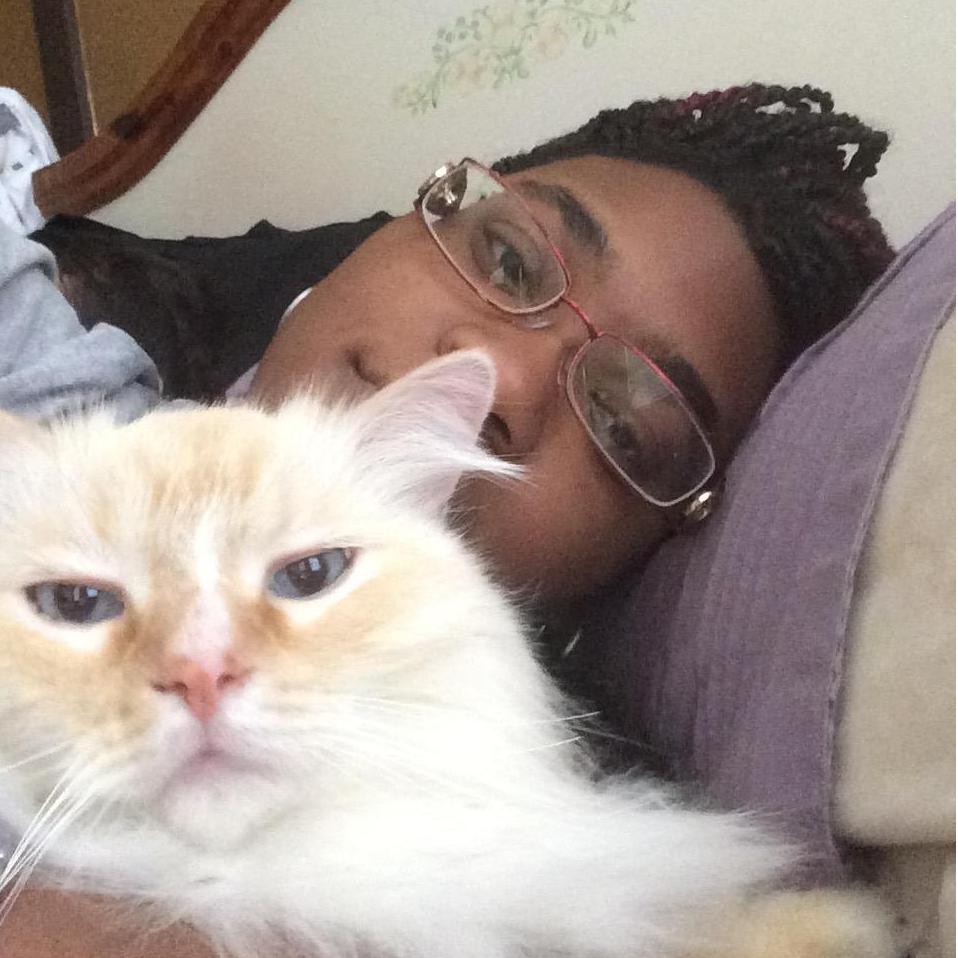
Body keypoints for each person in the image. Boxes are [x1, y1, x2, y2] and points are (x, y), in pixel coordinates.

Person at [1, 83, 893, 957]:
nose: (500, 372)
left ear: (649, 550)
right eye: (510, 261)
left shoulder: (582, 826)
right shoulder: (65, 320)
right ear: (414, 214)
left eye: (627, 421)